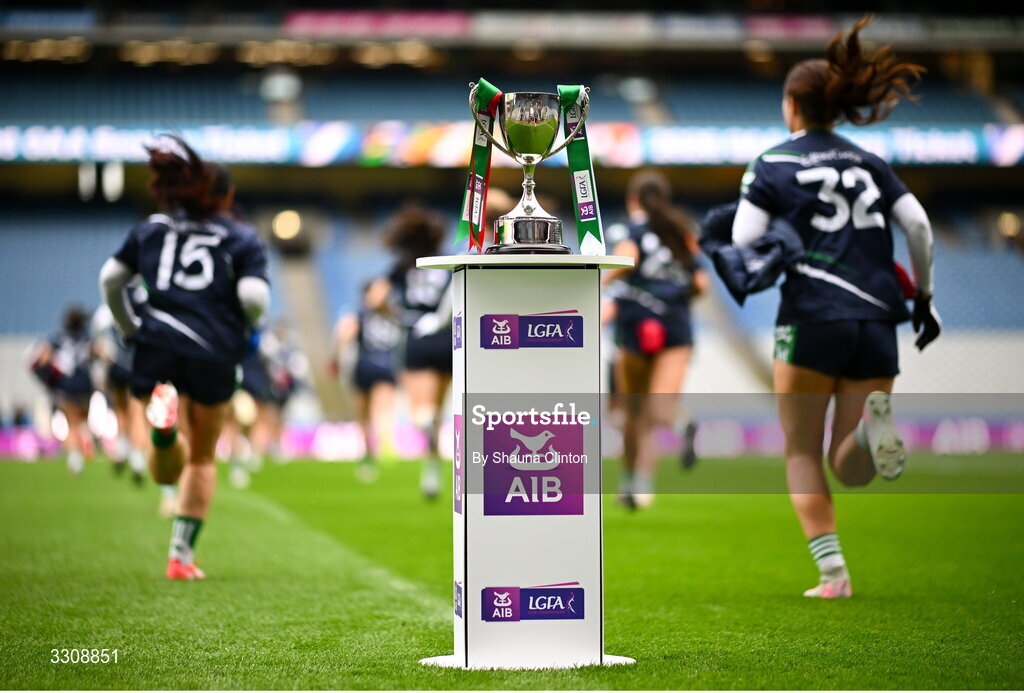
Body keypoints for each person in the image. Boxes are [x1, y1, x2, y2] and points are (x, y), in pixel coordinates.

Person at [730, 15, 941, 598]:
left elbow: (744, 243)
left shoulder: (771, 164)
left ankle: (833, 575)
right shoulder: (870, 162)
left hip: (809, 316)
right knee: (848, 462)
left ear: (793, 105)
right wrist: (922, 295)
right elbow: (919, 225)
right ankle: (871, 436)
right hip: (878, 318)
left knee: (801, 449)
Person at [99, 135, 270, 581]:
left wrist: (128, 328)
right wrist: (248, 326)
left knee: (165, 466)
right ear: (227, 196)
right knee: (203, 457)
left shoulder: (152, 229)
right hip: (213, 348)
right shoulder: (241, 237)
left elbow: (110, 280)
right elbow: (254, 298)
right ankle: (181, 558)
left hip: (156, 345)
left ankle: (162, 431)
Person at [603, 170, 708, 509]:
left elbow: (627, 259)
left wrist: (597, 283)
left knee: (632, 413)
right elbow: (702, 284)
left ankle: (632, 484)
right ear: (664, 198)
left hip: (635, 324)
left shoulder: (626, 228)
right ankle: (680, 424)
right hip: (675, 327)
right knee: (659, 407)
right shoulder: (683, 230)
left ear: (632, 198)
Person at [383, 203, 452, 500]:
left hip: (416, 337)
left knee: (419, 412)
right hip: (446, 337)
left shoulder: (402, 266)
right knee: (437, 409)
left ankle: (426, 426)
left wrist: (396, 317)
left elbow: (376, 299)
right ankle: (432, 471)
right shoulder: (446, 264)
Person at [330, 280, 402, 481]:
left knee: (383, 406)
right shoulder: (359, 313)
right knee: (363, 412)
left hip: (384, 366)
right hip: (364, 365)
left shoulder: (393, 313)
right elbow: (345, 335)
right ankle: (368, 449)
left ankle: (385, 444)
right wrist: (336, 359)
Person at [28, 306, 96, 475]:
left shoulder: (57, 338)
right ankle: (85, 447)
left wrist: (47, 377)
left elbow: (40, 357)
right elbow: (98, 353)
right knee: (82, 423)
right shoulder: (87, 337)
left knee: (71, 424)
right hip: (85, 386)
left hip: (66, 387)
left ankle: (74, 458)